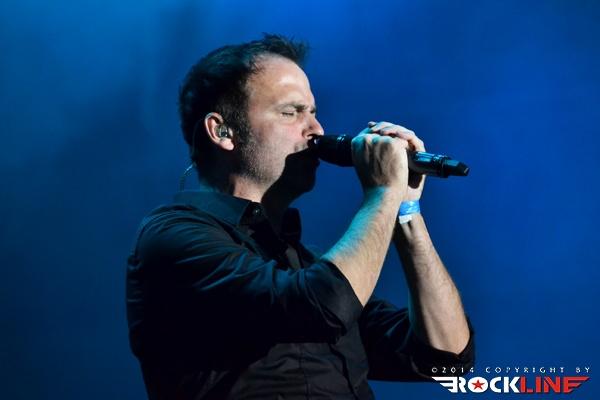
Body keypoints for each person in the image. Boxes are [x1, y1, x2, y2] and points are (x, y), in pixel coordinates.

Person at [126, 34, 474, 400]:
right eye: (291, 113)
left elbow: (446, 358)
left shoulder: (306, 264)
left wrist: (405, 209)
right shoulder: (173, 236)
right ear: (223, 132)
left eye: (313, 112)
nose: (317, 130)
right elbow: (325, 305)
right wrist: (382, 193)